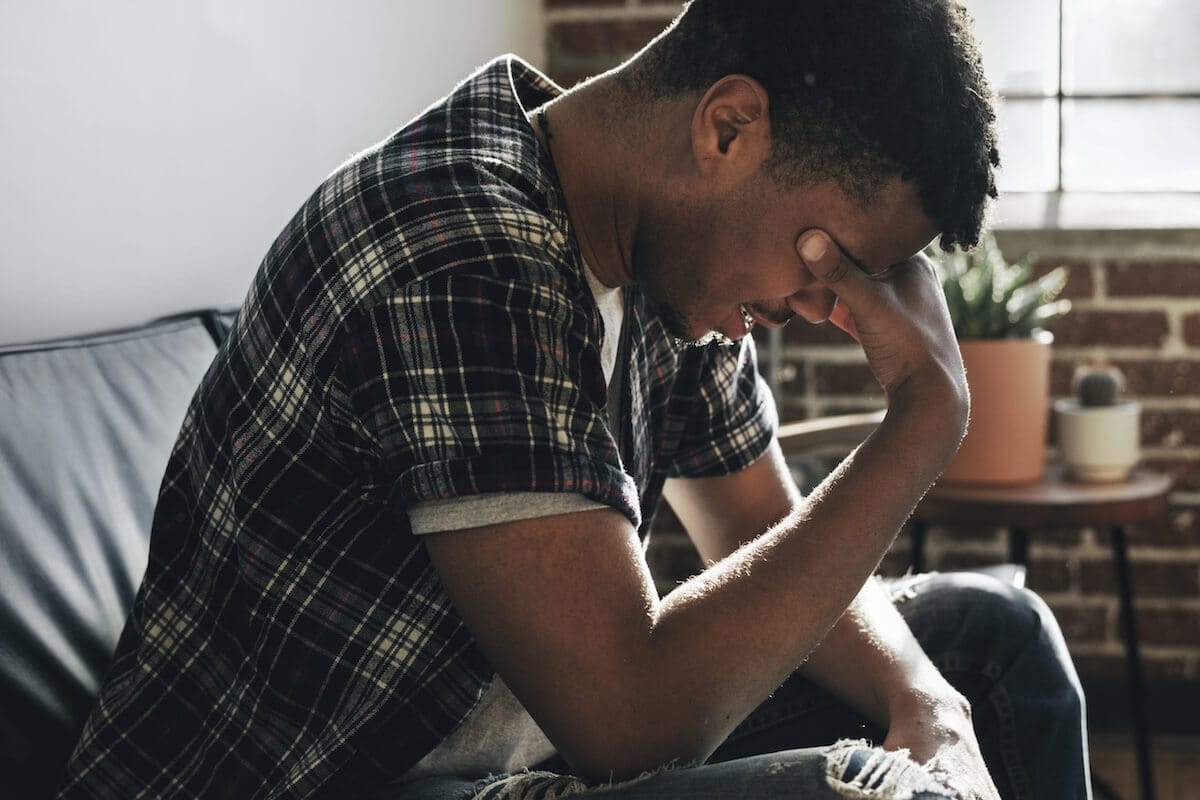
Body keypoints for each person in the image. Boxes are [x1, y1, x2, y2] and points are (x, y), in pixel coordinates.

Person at [58, 1, 1092, 798]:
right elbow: (629, 719)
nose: (826, 307)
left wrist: (930, 703)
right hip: (329, 780)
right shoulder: (463, 252)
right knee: (860, 792)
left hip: (512, 758)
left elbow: (759, 526)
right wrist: (922, 424)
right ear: (728, 128)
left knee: (992, 646)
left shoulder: (665, 257)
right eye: (831, 256)